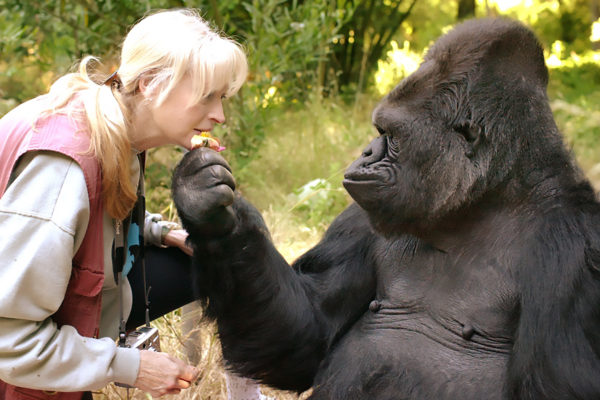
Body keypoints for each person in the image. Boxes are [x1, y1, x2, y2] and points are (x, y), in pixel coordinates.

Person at [0, 8, 251, 399]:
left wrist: (160, 231)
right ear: (151, 83)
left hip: (52, 300)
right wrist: (130, 367)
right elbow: (7, 338)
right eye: (207, 97)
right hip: (16, 348)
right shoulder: (62, 168)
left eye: (221, 98)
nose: (218, 115)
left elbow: (89, 218)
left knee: (214, 260)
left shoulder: (113, 125)